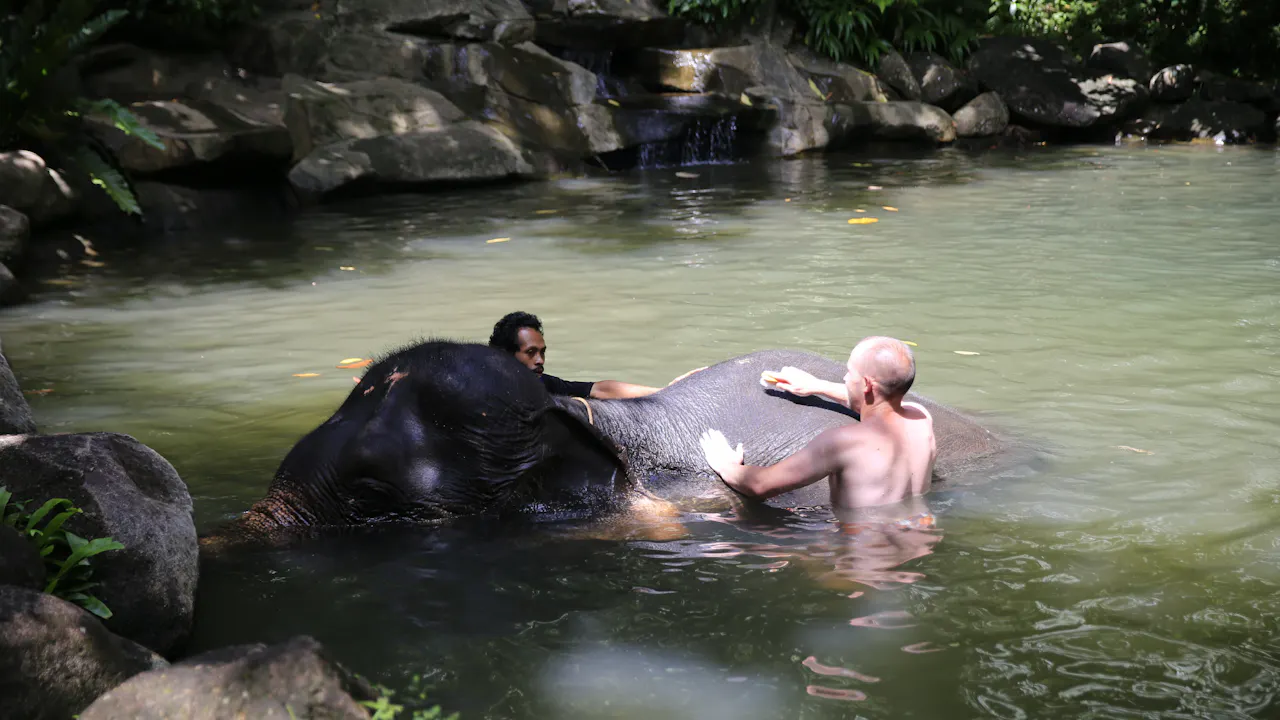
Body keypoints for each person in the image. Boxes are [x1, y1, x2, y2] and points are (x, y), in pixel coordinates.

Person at [700, 336, 936, 509]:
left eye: (849, 373)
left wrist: (725, 465)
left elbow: (760, 486)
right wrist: (816, 385)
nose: (845, 378)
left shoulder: (842, 442)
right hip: (917, 539)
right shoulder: (921, 417)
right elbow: (876, 401)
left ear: (866, 385)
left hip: (860, 561)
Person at [488, 311, 702, 399]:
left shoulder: (541, 384)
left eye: (542, 352)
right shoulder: (480, 388)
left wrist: (664, 393)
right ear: (505, 355)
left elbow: (598, 388)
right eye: (530, 353)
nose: (540, 360)